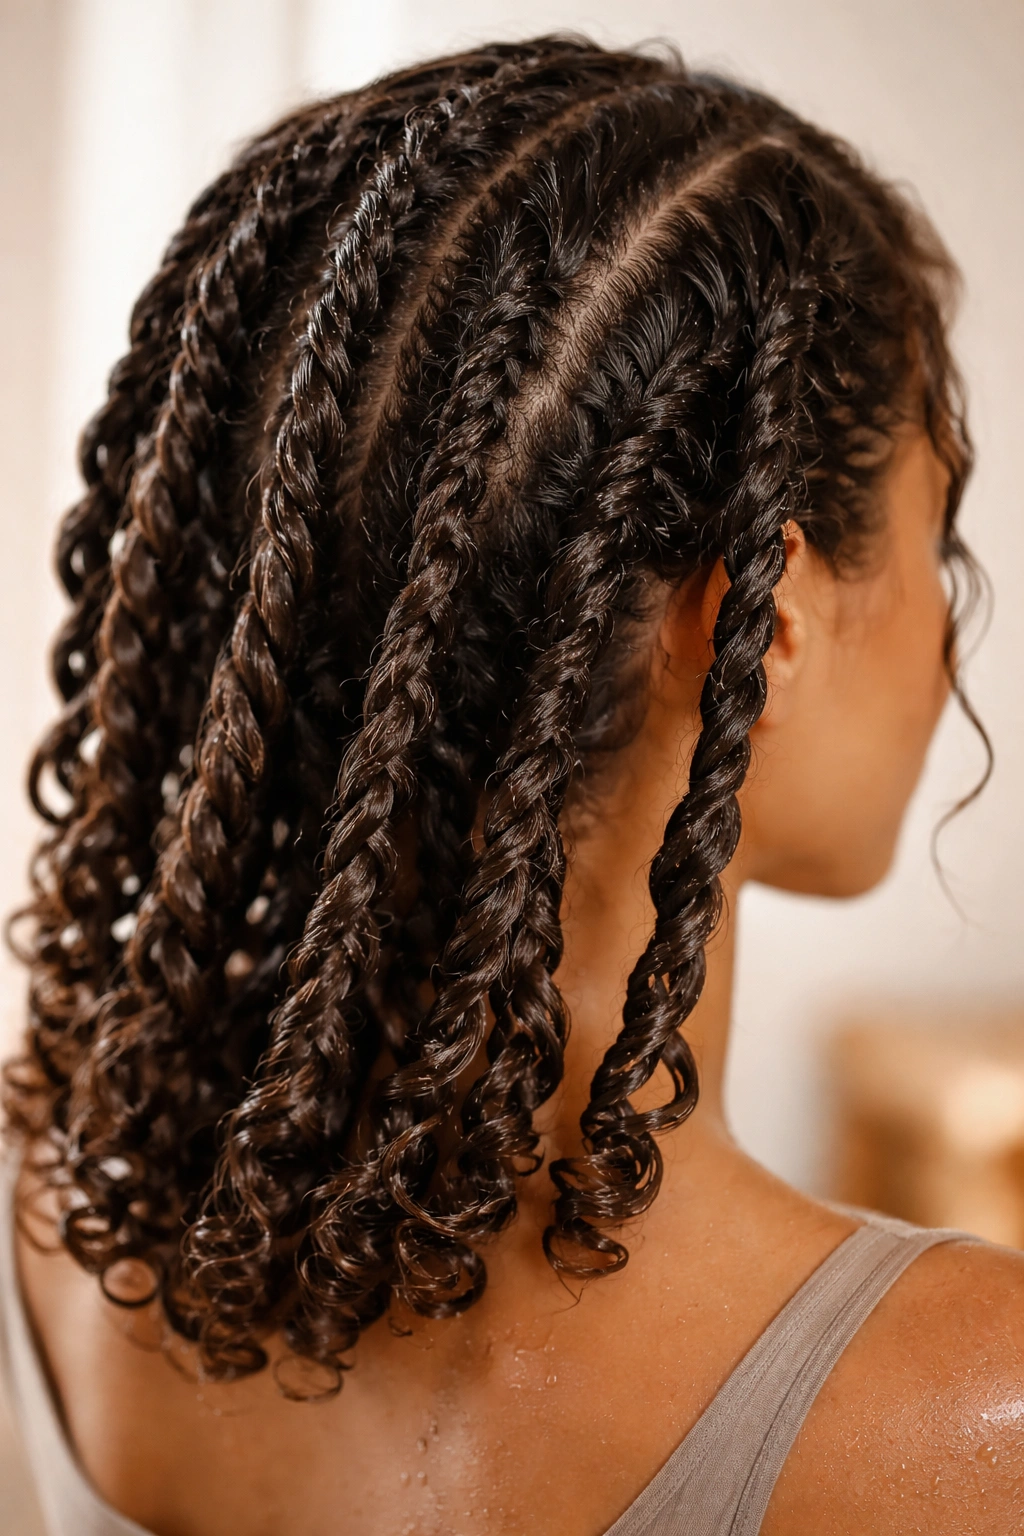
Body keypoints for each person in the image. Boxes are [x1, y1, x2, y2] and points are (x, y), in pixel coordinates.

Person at [2, 35, 1021, 1536]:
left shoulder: (62, 1193)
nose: (954, 624)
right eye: (940, 542)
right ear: (761, 617)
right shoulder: (964, 1421)